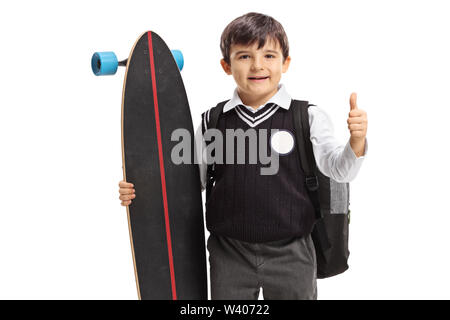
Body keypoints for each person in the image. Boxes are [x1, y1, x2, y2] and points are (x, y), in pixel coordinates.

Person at [119, 12, 368, 300]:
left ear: (286, 63)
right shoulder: (212, 121)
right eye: (245, 56)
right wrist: (140, 193)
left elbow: (340, 171)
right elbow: (183, 186)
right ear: (227, 65)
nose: (258, 65)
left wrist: (356, 141)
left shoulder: (307, 117)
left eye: (270, 56)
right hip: (229, 254)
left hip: (292, 253)